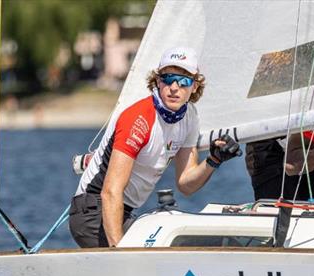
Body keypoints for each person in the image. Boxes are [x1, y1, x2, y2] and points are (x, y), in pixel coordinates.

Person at [69, 47, 241, 248]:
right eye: (168, 79)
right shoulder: (139, 118)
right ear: (158, 82)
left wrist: (213, 161)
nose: (174, 87)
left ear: (194, 86)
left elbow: (186, 184)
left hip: (123, 211)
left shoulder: (190, 117)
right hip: (93, 212)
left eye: (184, 80)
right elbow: (110, 191)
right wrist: (120, 255)